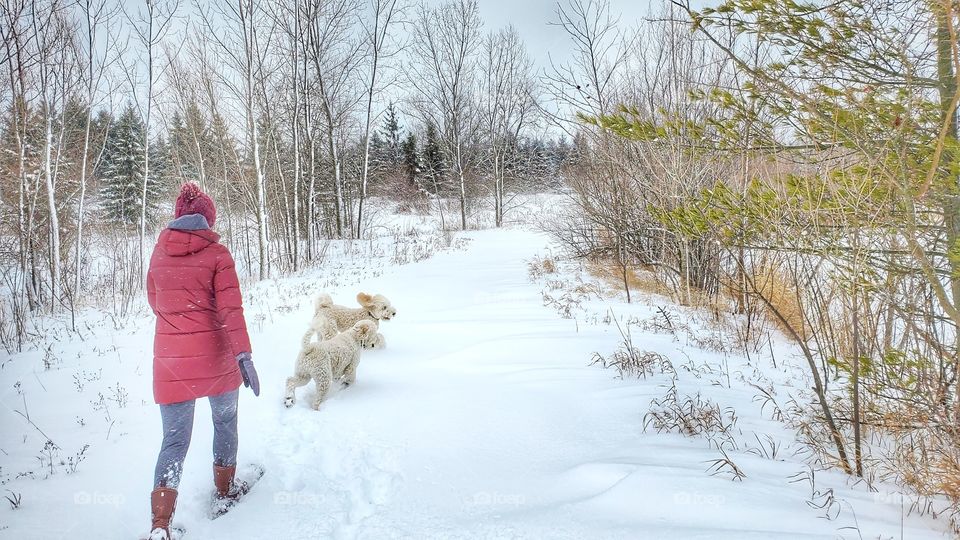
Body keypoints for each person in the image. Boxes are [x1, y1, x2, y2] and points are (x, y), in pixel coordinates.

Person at [145, 182, 260, 539]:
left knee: (174, 441)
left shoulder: (158, 254)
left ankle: (160, 525)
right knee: (225, 421)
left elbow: (156, 303)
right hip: (216, 358)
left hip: (171, 362)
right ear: (208, 220)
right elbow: (230, 311)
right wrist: (244, 354)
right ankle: (226, 490)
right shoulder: (218, 254)